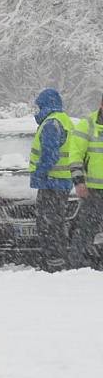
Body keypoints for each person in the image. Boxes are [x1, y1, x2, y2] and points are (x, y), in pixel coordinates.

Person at [29, 88, 74, 272]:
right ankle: (57, 260)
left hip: (51, 182)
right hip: (61, 182)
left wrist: (39, 173)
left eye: (38, 107)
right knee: (56, 223)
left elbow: (50, 154)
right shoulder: (65, 121)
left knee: (48, 225)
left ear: (46, 105)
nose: (36, 111)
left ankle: (52, 263)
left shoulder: (51, 123)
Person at [68, 95, 103, 269]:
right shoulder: (87, 124)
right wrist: (79, 181)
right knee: (86, 229)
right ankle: (78, 266)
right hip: (93, 190)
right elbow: (75, 155)